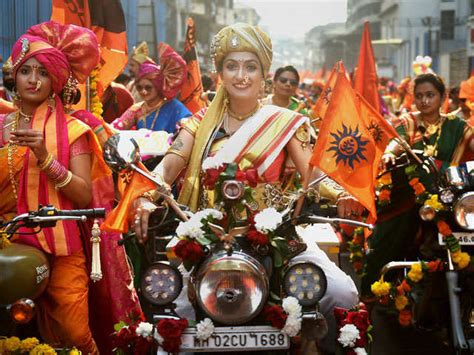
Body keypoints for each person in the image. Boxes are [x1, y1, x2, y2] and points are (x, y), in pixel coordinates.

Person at [107, 23, 361, 353]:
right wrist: (143, 197)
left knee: (342, 292)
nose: (241, 76)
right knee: (168, 309)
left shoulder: (287, 122)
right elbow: (168, 167)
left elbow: (313, 175)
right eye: (232, 66)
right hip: (208, 242)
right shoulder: (198, 123)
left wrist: (342, 194)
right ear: (220, 74)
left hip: (277, 239)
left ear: (263, 73)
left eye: (250, 66)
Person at [2, 21, 140, 353]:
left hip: (61, 245)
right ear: (14, 77)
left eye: (43, 73)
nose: (33, 80)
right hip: (7, 241)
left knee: (76, 334)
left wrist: (44, 155)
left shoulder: (74, 130)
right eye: (26, 71)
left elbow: (81, 193)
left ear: (56, 81)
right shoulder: (1, 126)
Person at [361, 73, 474, 298]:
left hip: (448, 197)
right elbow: (397, 142)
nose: (424, 101)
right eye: (420, 96)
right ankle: (371, 295)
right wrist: (390, 155)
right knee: (388, 237)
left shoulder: (457, 126)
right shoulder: (408, 121)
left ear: (442, 98)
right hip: (409, 196)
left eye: (430, 95)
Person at [112, 43, 191, 133]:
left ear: (158, 87)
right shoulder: (137, 109)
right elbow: (115, 130)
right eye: (139, 87)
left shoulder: (174, 108)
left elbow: (189, 127)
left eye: (148, 88)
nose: (143, 91)